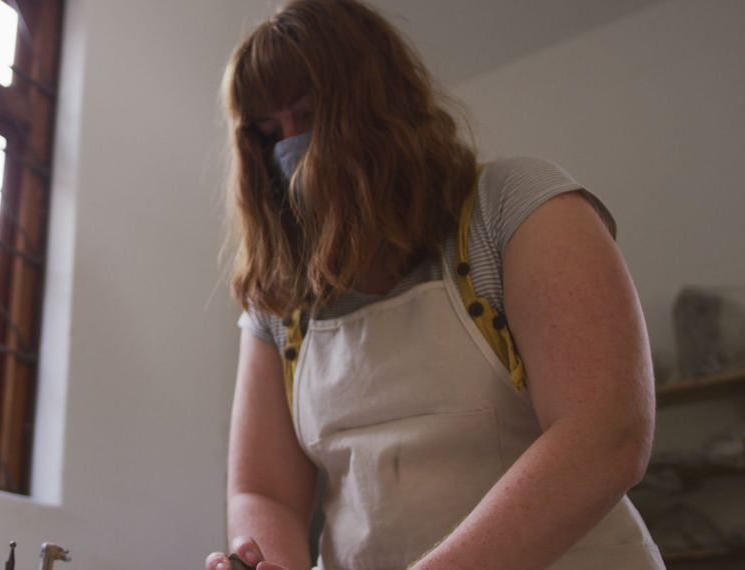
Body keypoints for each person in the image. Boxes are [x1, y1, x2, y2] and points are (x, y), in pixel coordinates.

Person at [206, 1, 664, 569]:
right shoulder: (280, 300)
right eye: (270, 132)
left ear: (377, 103)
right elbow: (264, 492)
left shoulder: (513, 209)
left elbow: (605, 435)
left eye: (309, 112)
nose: (291, 149)